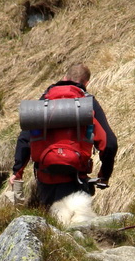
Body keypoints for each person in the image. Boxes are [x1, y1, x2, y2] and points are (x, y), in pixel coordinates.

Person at [9, 64, 118, 207]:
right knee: (76, 225)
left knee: (53, 226)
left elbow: (24, 140)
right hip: (76, 179)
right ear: (86, 83)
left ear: (64, 77)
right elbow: (109, 143)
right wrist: (104, 176)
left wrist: (17, 172)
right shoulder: (88, 103)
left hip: (46, 180)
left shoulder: (43, 102)